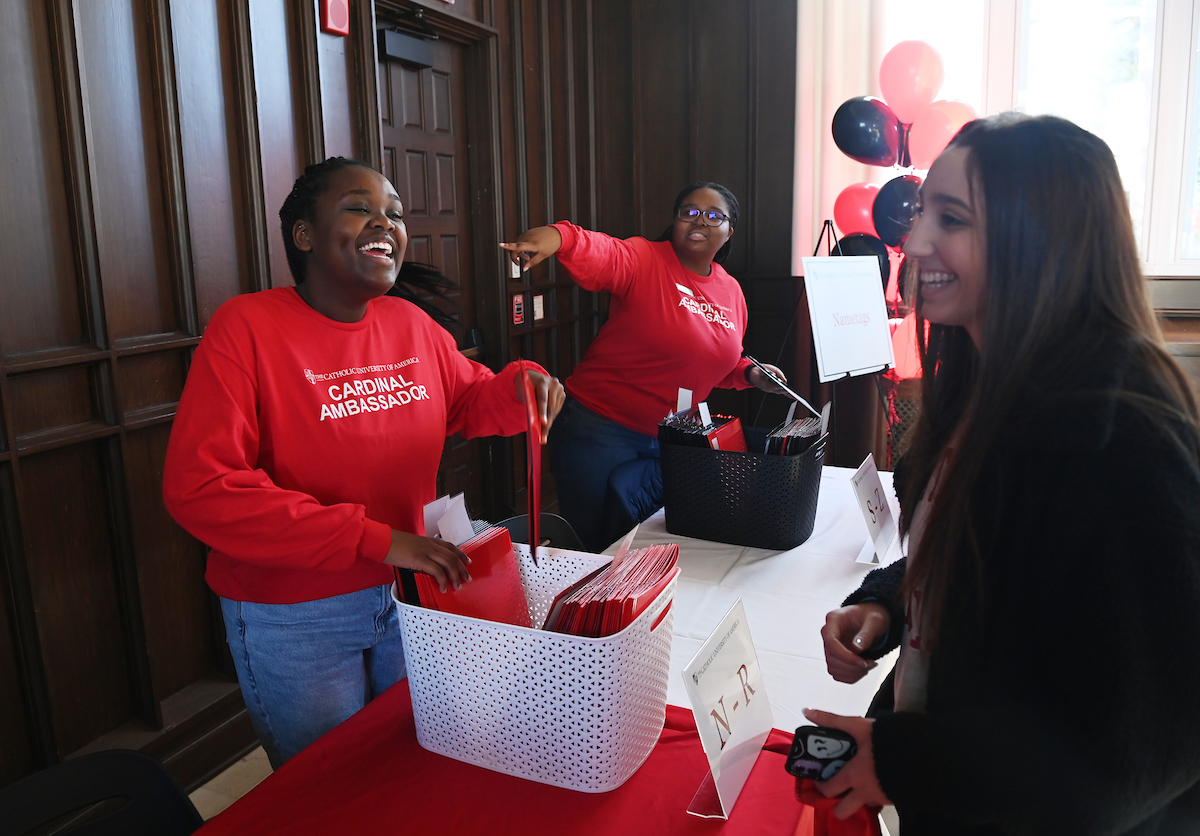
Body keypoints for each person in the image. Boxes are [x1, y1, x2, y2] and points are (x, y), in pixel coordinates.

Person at [808, 114, 1200, 834]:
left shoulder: (1128, 441)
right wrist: (891, 604)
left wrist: (903, 761)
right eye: (922, 211)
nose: (915, 241)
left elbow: (1133, 754)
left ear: (1044, 240)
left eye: (950, 219)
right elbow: (989, 552)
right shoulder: (980, 384)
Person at [162, 157, 564, 767]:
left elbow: (468, 400)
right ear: (304, 235)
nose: (386, 222)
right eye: (360, 207)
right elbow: (203, 486)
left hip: (411, 589)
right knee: (329, 781)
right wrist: (373, 539)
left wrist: (521, 386)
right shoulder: (246, 327)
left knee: (411, 761)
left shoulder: (410, 323)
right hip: (299, 613)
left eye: (396, 214)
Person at [500, 183, 787, 551]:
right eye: (689, 211)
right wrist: (559, 237)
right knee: (597, 545)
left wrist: (750, 373)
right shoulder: (645, 258)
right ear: (675, 220)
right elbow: (601, 252)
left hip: (671, 435)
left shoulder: (730, 291)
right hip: (598, 428)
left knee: (648, 545)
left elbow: (717, 358)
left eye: (714, 216)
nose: (699, 220)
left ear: (729, 231)